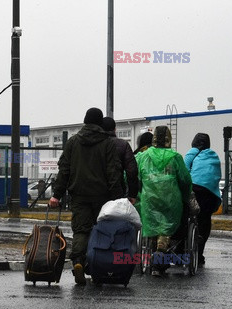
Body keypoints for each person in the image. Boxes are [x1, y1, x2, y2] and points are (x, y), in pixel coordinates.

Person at [49, 107, 123, 285]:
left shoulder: (73, 142)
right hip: (103, 196)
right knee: (102, 231)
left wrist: (56, 195)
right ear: (99, 123)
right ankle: (98, 265)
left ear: (84, 121)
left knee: (81, 230)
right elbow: (114, 172)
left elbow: (64, 170)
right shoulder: (108, 143)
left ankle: (78, 262)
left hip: (79, 195)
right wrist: (118, 198)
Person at [136, 126, 192, 276]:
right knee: (166, 226)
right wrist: (185, 198)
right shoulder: (175, 157)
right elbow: (185, 181)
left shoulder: (143, 156)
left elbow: (130, 176)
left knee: (153, 223)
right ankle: (162, 250)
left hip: (149, 200)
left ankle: (155, 251)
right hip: (171, 201)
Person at [184, 133, 221, 265]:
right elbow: (216, 176)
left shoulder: (192, 153)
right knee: (205, 220)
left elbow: (184, 172)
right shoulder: (214, 156)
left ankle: (182, 249)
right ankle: (199, 253)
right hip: (210, 194)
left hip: (194, 190)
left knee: (185, 215)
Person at [102, 117, 139, 202]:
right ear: (115, 129)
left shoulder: (95, 144)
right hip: (117, 191)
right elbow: (132, 172)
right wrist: (132, 194)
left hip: (95, 192)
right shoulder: (123, 144)